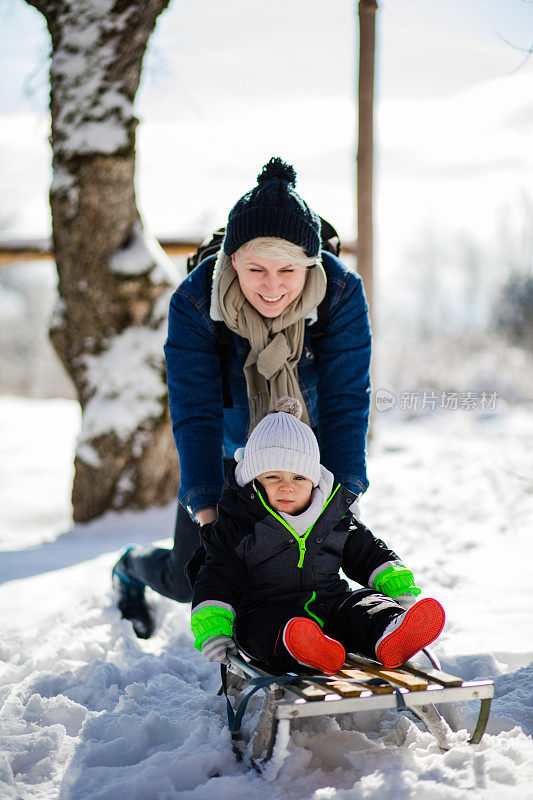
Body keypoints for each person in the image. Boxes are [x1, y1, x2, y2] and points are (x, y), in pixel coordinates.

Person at [113, 157, 372, 638]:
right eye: (256, 268)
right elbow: (195, 412)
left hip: (300, 454)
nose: (272, 287)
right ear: (232, 260)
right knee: (189, 579)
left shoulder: (339, 293)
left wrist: (343, 494)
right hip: (228, 451)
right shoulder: (195, 302)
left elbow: (346, 400)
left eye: (288, 270)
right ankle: (131, 566)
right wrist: (209, 510)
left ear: (310, 264)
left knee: (308, 572)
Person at [191, 397, 445, 673]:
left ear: (313, 481)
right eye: (273, 477)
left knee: (364, 606)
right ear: (253, 480)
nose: (287, 487)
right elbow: (216, 577)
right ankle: (302, 648)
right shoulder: (236, 527)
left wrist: (396, 583)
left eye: (299, 478)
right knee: (266, 630)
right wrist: (212, 627)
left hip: (332, 606)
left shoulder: (333, 516)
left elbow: (367, 551)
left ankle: (392, 630)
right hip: (266, 613)